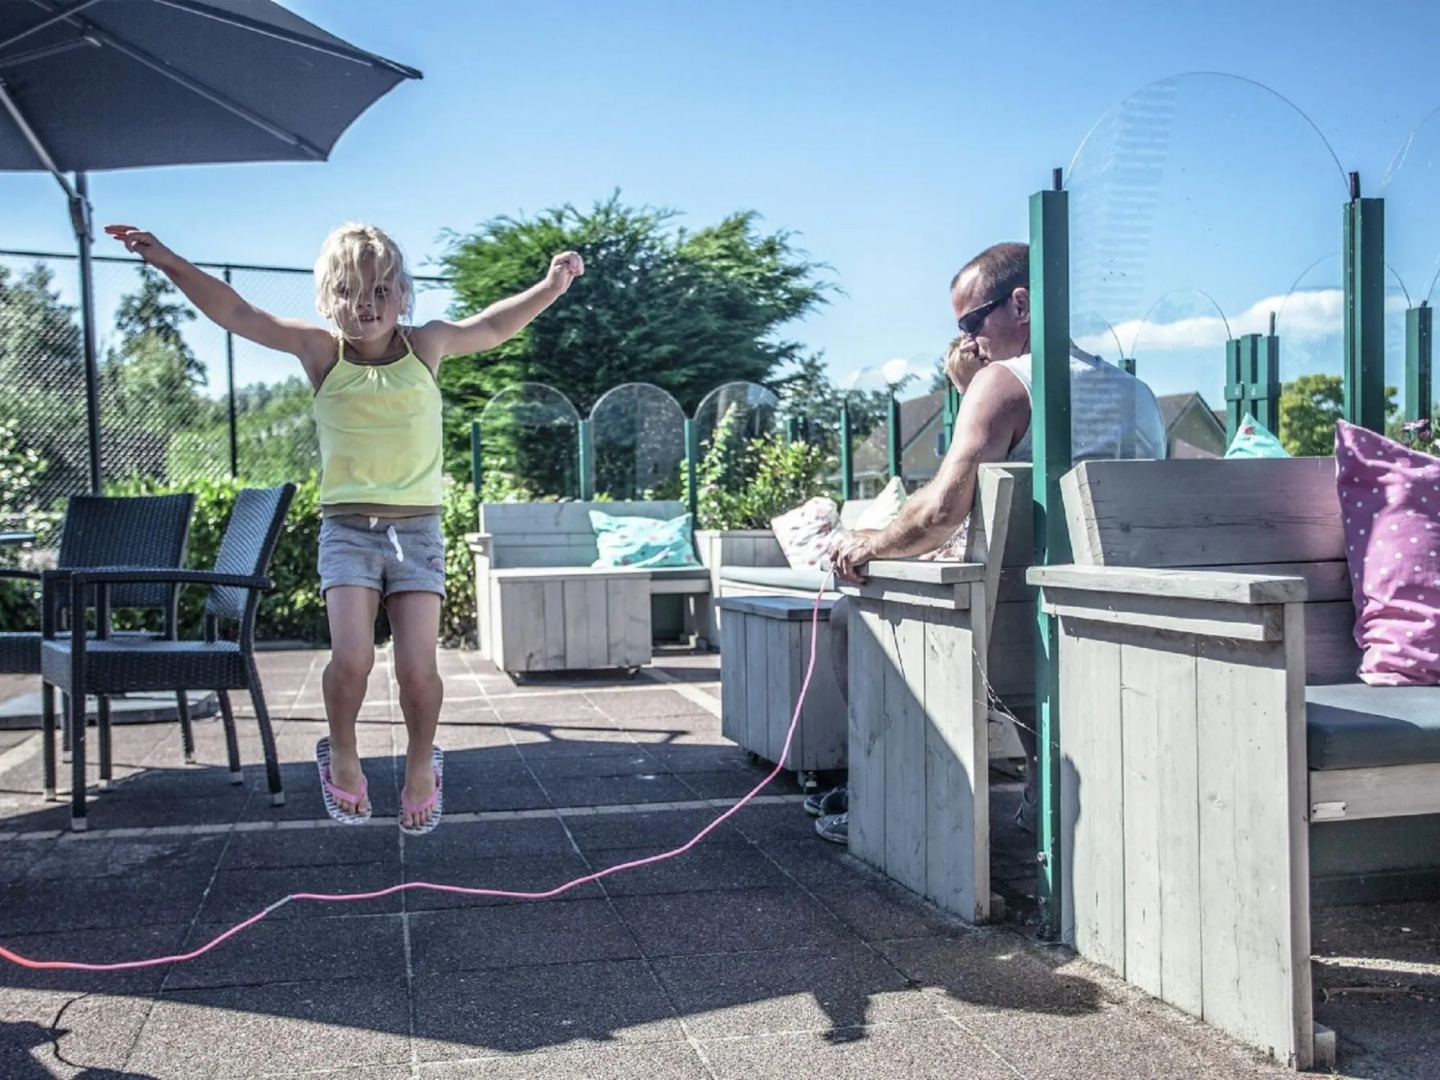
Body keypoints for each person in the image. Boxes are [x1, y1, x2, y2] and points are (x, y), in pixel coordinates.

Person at [105, 221, 584, 835]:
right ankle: (344, 750)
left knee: (419, 669)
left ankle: (419, 762)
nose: (367, 304)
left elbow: (492, 325)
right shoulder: (320, 352)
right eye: (351, 291)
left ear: (403, 294)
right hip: (348, 531)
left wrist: (551, 285)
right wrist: (168, 259)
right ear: (328, 298)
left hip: (418, 532)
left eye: (381, 289)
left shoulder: (427, 345)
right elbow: (236, 311)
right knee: (353, 657)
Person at [810, 241, 1165, 843]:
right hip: (1122, 618)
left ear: (1021, 303)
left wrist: (871, 542)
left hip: (1016, 632)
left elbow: (942, 511)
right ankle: (1035, 785)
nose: (969, 339)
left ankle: (888, 797)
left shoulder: (1005, 382)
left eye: (973, 321)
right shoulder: (1138, 395)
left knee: (849, 620)